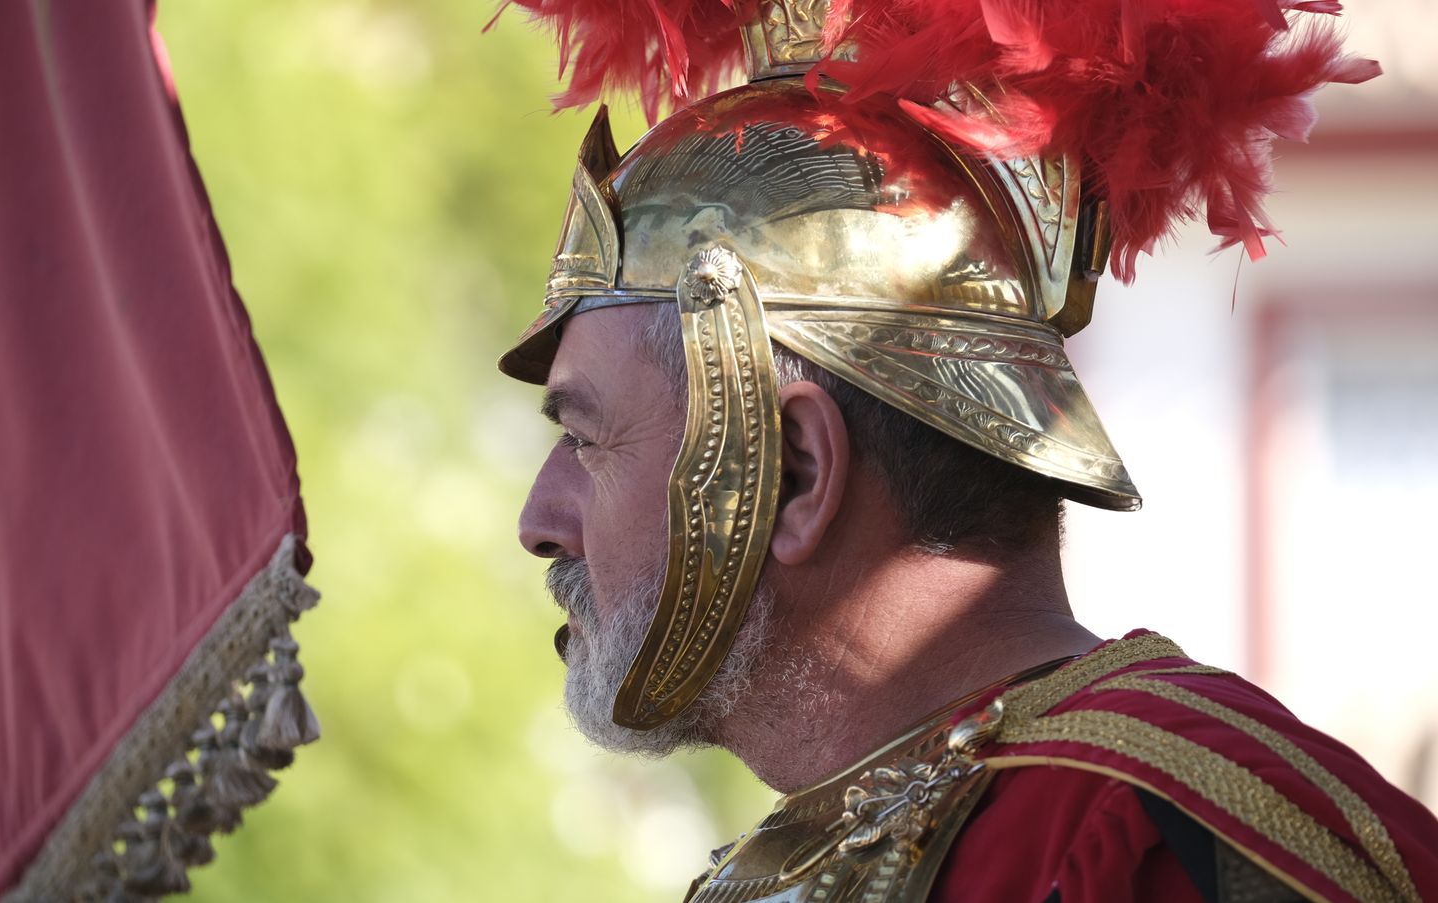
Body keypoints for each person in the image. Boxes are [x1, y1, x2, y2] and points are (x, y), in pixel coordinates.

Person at [497, 0, 1438, 899]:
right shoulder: (819, 844)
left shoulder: (1150, 840)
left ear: (792, 471)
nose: (538, 523)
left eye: (584, 438)